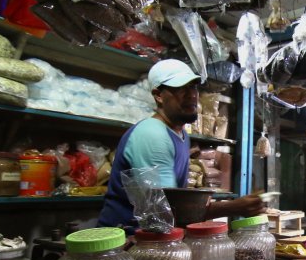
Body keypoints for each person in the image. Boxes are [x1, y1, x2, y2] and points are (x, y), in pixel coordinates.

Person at [98, 59, 264, 231]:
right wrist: (234, 207)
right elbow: (162, 212)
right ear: (158, 95)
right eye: (180, 88)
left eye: (193, 87)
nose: (192, 94)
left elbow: (176, 207)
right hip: (124, 243)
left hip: (153, 239)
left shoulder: (181, 135)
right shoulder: (152, 134)